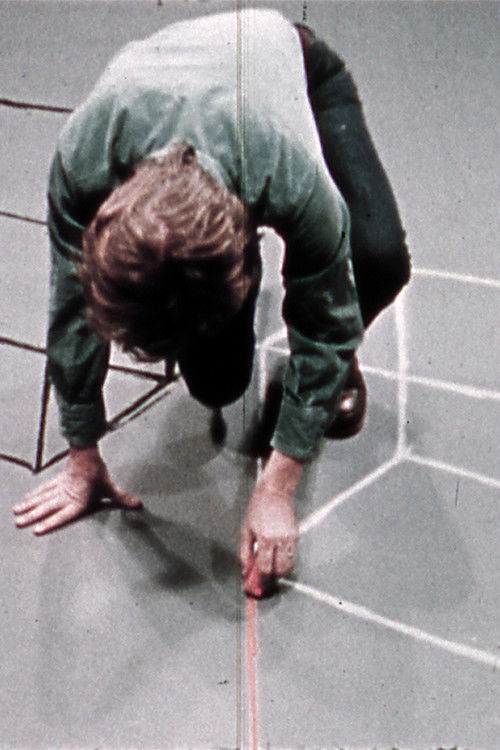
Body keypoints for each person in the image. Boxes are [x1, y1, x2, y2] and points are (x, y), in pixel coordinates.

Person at [13, 9, 410, 593]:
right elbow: (72, 307)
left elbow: (325, 320)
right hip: (187, 90)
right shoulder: (86, 156)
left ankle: (333, 368)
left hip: (298, 68)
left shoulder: (288, 172)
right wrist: (82, 455)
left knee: (378, 258)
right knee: (218, 381)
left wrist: (278, 487)